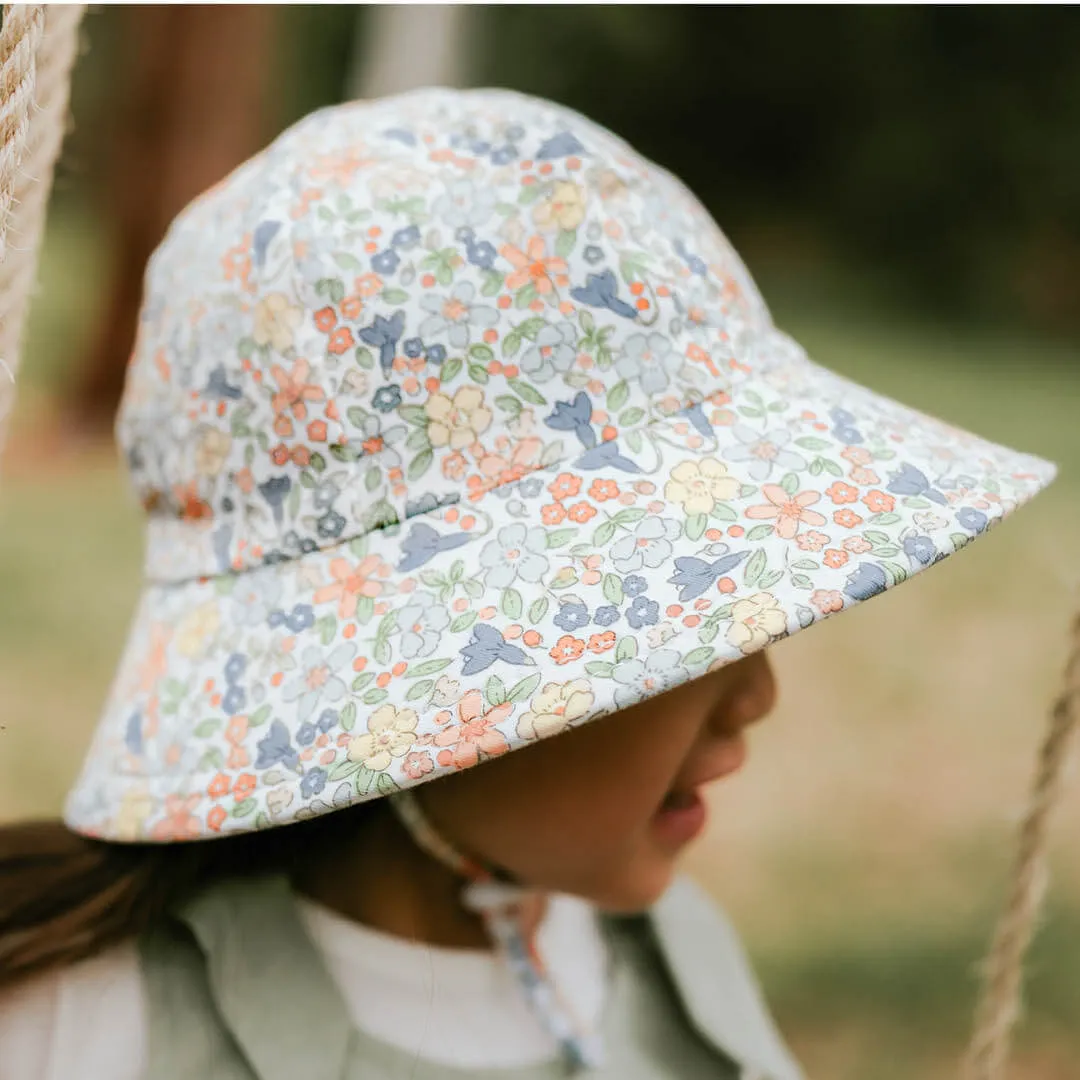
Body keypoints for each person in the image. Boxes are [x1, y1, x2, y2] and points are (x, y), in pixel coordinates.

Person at [0, 88, 1055, 1079]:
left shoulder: (679, 976)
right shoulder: (92, 1030)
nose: (757, 696)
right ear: (401, 669)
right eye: (671, 615)